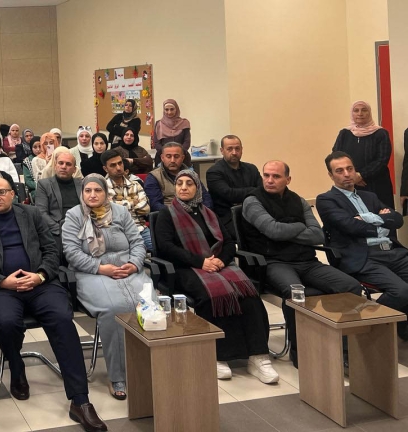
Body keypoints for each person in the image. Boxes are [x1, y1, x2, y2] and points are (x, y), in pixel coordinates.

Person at [0, 178, 109, 431]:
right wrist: (3, 281)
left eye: (2, 192)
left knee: (62, 319)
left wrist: (40, 275)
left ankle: (80, 400)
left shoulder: (31, 214)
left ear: (12, 194)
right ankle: (16, 368)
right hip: (2, 288)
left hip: (40, 284)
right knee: (6, 322)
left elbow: (52, 250)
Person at [152, 170, 277, 383]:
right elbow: (166, 247)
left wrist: (221, 260)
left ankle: (258, 356)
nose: (183, 187)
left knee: (249, 295)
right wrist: (200, 262)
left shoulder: (208, 213)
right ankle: (218, 355)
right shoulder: (167, 215)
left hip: (217, 264)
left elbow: (228, 242)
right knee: (213, 296)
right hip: (186, 268)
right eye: (179, 183)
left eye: (189, 183)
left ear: (197, 188)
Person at [241, 160, 363, 367]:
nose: (269, 180)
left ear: (288, 179)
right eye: (266, 175)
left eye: (276, 176)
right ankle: (300, 351)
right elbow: (273, 231)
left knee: (350, 286)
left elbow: (317, 235)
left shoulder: (298, 200)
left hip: (307, 261)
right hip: (274, 262)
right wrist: (299, 226)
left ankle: (344, 348)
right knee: (297, 293)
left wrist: (287, 230)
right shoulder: (252, 201)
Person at [62, 174, 150, 400]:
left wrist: (134, 264)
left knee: (149, 304)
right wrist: (101, 268)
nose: (92, 195)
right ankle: (118, 375)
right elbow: (72, 253)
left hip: (128, 269)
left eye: (98, 190)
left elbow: (137, 243)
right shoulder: (74, 216)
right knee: (114, 309)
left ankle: (150, 366)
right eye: (88, 190)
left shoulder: (120, 212)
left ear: (106, 193)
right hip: (92, 273)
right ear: (82, 193)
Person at [316, 152, 408, 340]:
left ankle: (403, 330)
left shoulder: (369, 196)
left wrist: (366, 218)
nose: (346, 174)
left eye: (349, 169)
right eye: (339, 171)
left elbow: (397, 220)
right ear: (331, 175)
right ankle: (363, 327)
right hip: (363, 257)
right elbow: (350, 226)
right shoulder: (326, 199)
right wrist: (381, 220)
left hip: (392, 251)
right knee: (401, 291)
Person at [332, 101, 395, 208]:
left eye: (364, 110)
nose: (360, 114)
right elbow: (336, 156)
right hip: (349, 183)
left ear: (369, 112)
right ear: (352, 113)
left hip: (376, 183)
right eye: (356, 110)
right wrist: (353, 176)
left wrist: (361, 175)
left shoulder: (381, 133)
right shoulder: (344, 133)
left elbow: (382, 159)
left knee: (381, 213)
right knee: (353, 214)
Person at [206, 135, 261, 236]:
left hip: (253, 211)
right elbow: (229, 195)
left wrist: (254, 192)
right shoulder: (213, 172)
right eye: (229, 149)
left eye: (237, 148)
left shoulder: (251, 169)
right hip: (228, 217)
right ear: (222, 151)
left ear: (242, 149)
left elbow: (262, 191)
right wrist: (254, 190)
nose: (234, 152)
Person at [103, 150, 152, 251]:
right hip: (117, 230)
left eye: (120, 163)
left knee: (158, 250)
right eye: (113, 165)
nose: (118, 168)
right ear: (105, 168)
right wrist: (132, 203)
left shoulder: (135, 185)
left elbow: (146, 209)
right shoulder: (102, 188)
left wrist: (118, 204)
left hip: (139, 228)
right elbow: (110, 211)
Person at [145, 143, 213, 211]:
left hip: (195, 212)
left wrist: (204, 212)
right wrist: (180, 213)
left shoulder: (191, 174)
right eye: (168, 156)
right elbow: (155, 205)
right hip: (169, 213)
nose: (172, 160)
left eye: (176, 156)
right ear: (162, 158)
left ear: (182, 158)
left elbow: (205, 198)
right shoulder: (154, 177)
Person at [35, 149, 82, 238]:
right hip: (56, 231)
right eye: (60, 163)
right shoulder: (44, 184)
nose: (64, 167)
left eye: (68, 164)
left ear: (74, 170)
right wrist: (60, 230)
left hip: (81, 229)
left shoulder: (82, 184)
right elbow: (41, 212)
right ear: (55, 166)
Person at [151, 99, 192, 166]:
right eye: (166, 109)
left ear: (176, 109)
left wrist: (178, 154)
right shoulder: (159, 124)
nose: (169, 112)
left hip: (182, 157)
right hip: (162, 158)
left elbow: (187, 142)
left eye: (172, 109)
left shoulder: (184, 123)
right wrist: (167, 155)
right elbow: (156, 143)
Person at [22, 136, 42, 201]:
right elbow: (28, 181)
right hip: (35, 189)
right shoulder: (27, 161)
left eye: (40, 146)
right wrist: (41, 186)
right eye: (35, 147)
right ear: (31, 148)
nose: (38, 149)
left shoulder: (47, 158)